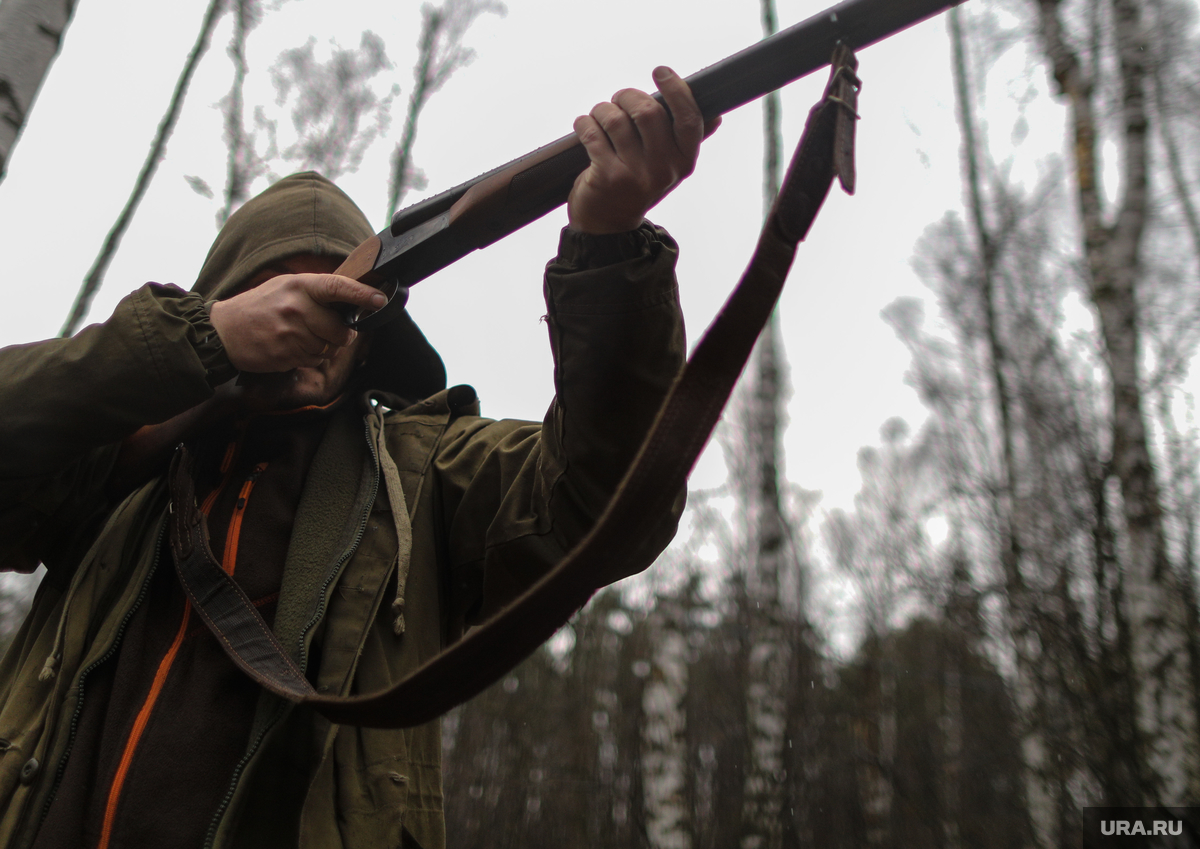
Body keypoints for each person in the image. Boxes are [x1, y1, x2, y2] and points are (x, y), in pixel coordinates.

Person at [0, 68, 718, 849]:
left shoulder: (429, 475)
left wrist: (607, 246)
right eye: (280, 293)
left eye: (340, 294)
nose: (312, 318)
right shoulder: (121, 467)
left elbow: (610, 504)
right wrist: (201, 344)